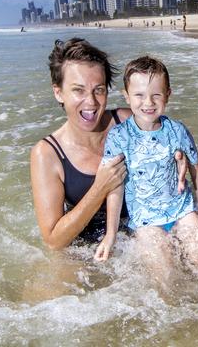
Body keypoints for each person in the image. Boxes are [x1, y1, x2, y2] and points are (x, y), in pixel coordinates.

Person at [95, 56, 198, 264]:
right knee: (163, 273)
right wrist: (111, 235)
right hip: (146, 221)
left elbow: (196, 171)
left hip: (182, 211)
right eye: (139, 95)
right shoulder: (119, 137)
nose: (148, 102)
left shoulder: (177, 130)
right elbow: (115, 188)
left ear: (168, 95)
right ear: (126, 96)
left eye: (156, 95)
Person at [30, 39, 132, 249]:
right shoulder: (47, 153)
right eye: (78, 90)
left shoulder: (128, 122)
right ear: (58, 92)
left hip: (140, 235)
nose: (91, 102)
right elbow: (54, 241)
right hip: (85, 250)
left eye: (99, 90)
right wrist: (100, 188)